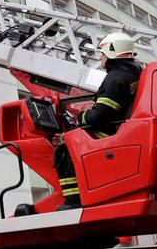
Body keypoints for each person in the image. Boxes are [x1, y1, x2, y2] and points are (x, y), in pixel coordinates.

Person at [15, 32, 142, 215]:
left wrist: (80, 118)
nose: (101, 57)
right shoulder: (133, 74)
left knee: (63, 151)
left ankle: (74, 200)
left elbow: (100, 116)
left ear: (111, 52)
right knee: (68, 139)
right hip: (122, 129)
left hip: (111, 133)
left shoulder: (115, 78)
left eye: (103, 53)